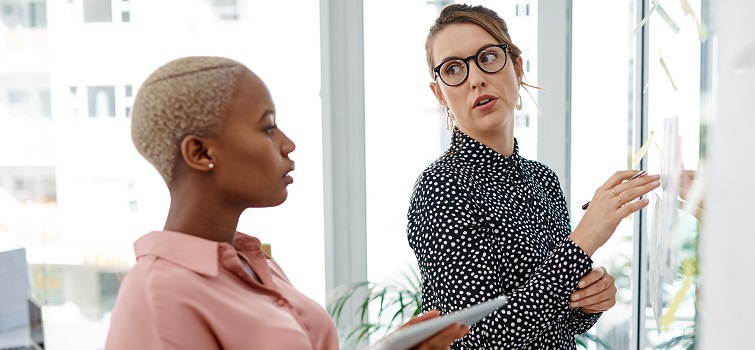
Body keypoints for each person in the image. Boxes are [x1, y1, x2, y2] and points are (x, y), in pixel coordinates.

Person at [105, 56, 469, 350]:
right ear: (200, 152)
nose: (287, 144)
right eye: (267, 127)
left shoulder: (256, 263)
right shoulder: (157, 295)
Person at [406, 4, 660, 349]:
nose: (476, 78)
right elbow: (477, 339)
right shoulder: (442, 187)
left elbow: (552, 316)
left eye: (488, 57)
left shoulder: (543, 180)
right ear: (440, 94)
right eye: (453, 69)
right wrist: (584, 241)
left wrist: (588, 302)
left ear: (517, 67)